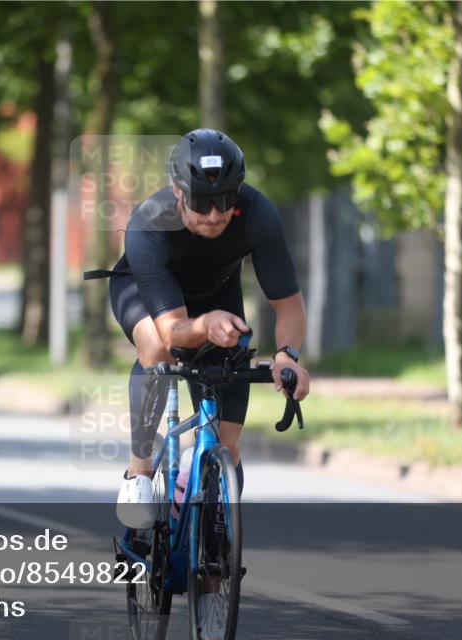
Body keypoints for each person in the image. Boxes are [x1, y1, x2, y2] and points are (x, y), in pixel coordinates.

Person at [86, 129, 312, 530]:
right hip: (144, 292)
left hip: (216, 296)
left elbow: (288, 303)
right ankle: (138, 471)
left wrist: (286, 356)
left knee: (228, 441)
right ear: (177, 192)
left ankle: (213, 556)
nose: (213, 214)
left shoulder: (258, 214)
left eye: (224, 200)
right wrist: (204, 326)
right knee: (157, 349)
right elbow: (173, 331)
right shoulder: (149, 223)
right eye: (202, 202)